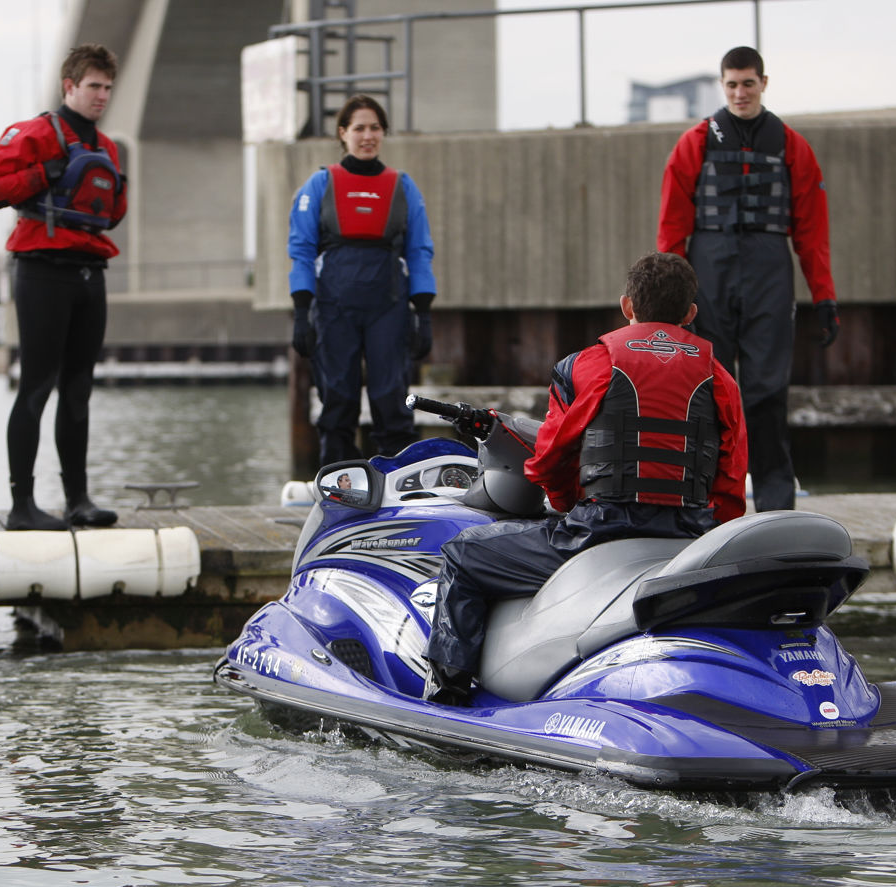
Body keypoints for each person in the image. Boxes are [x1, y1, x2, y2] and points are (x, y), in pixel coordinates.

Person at [423, 252, 749, 705]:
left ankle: (448, 693)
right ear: (691, 313)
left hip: (601, 531)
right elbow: (731, 487)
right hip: (687, 539)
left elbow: (546, 462)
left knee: (463, 553)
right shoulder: (721, 379)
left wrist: (565, 503)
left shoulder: (587, 365)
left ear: (627, 306)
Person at [657, 46, 838, 513]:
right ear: (723, 86)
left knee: (766, 391)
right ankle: (705, 502)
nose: (740, 92)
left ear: (763, 83)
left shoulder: (792, 146)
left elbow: (813, 231)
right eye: (732, 84)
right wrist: (667, 304)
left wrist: (825, 298)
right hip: (709, 269)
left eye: (748, 83)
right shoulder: (694, 143)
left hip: (768, 268)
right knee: (706, 390)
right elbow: (672, 229)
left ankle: (776, 506)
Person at [0, 43, 127, 530]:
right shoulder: (39, 133)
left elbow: (114, 209)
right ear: (70, 87)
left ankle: (77, 500)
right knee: (37, 386)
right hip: (42, 270)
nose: (101, 95)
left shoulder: (106, 146)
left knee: (79, 389)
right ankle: (22, 504)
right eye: (93, 86)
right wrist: (46, 171)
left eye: (107, 87)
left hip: (89, 270)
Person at [287, 94, 436, 467]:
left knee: (391, 398)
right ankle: (340, 487)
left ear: (383, 133)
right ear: (343, 133)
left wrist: (424, 313)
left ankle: (398, 486)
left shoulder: (403, 187)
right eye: (358, 128)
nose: (367, 135)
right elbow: (301, 250)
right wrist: (302, 312)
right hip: (334, 307)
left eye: (374, 128)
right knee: (338, 399)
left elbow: (420, 251)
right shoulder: (319, 185)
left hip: (388, 307)